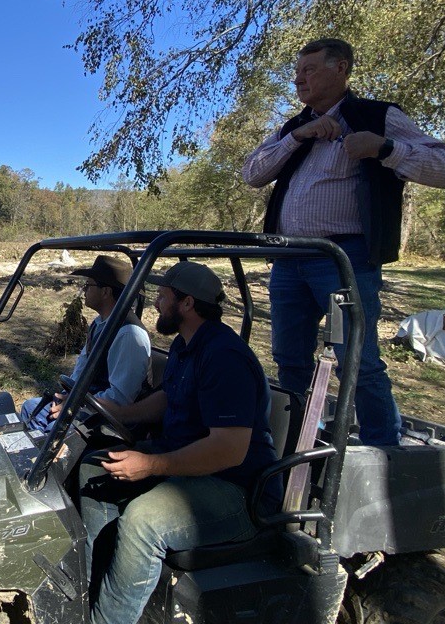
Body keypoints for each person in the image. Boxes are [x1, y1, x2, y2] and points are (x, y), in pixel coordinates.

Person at [242, 38, 445, 445]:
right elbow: (252, 173)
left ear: (341, 68)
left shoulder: (377, 117)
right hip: (289, 261)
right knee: (290, 359)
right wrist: (298, 136)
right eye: (297, 71)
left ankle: (384, 451)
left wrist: (385, 148)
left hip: (343, 262)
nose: (298, 80)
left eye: (308, 70)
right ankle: (299, 441)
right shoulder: (295, 126)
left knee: (355, 360)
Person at [61, 261, 280, 624]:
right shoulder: (185, 344)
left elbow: (229, 449)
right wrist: (123, 413)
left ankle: (109, 619)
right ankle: (92, 589)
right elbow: (168, 397)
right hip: (187, 462)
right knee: (93, 468)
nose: (157, 304)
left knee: (143, 521)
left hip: (236, 488)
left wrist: (148, 465)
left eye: (163, 297)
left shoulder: (225, 358)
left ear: (188, 303)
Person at [20, 255, 151, 432]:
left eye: (89, 285)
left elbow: (120, 398)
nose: (84, 290)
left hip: (106, 418)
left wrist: (76, 404)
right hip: (87, 402)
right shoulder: (99, 323)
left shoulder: (129, 334)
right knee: (31, 408)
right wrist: (69, 396)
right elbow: (82, 368)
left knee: (53, 428)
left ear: (106, 292)